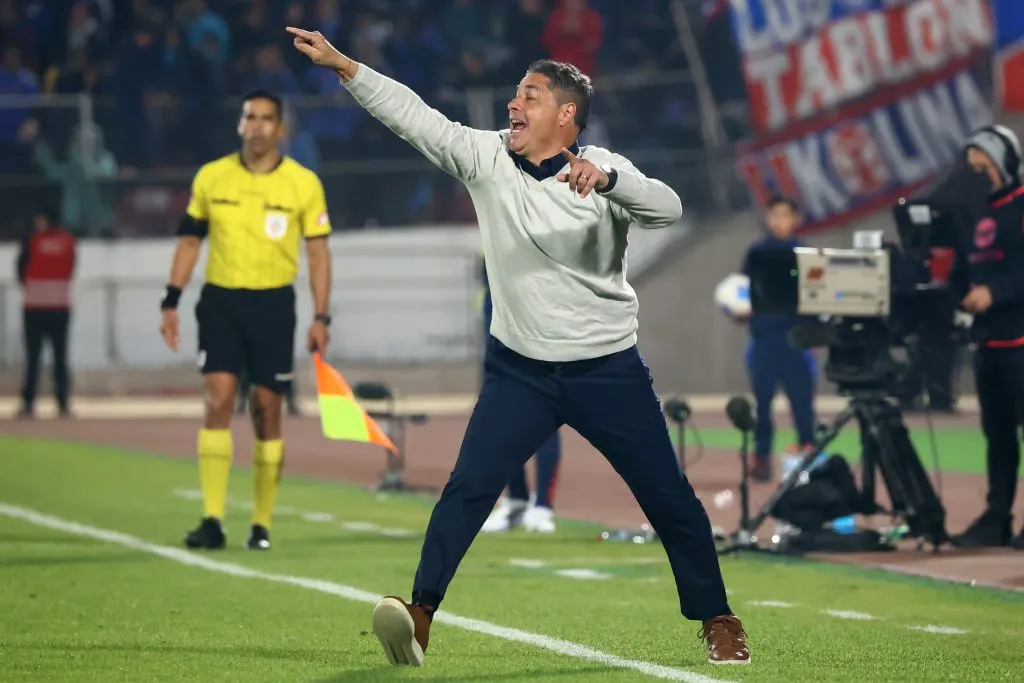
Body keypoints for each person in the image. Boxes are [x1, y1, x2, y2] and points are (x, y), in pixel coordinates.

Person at [289, 26, 750, 667]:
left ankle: (719, 619)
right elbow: (416, 118)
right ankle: (419, 616)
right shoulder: (485, 158)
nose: (515, 105)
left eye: (530, 96)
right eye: (516, 95)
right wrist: (345, 67)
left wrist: (612, 178)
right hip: (520, 371)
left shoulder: (605, 171)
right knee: (469, 487)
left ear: (566, 115)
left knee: (668, 496)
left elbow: (669, 208)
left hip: (607, 368)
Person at [159, 89, 334, 552]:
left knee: (266, 408)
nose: (256, 125)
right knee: (217, 398)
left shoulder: (303, 184)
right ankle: (212, 518)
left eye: (266, 119)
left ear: (281, 129)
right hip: (220, 303)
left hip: (274, 306)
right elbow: (190, 241)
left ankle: (260, 524)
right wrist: (170, 299)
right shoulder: (212, 178)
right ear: (241, 125)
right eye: (249, 117)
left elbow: (318, 253)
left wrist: (321, 315)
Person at [948, 125, 1024, 550]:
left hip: (1021, 341)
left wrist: (996, 292)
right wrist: (958, 296)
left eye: (986, 167)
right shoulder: (974, 215)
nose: (979, 176)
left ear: (1006, 164)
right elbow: (961, 272)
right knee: (997, 436)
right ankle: (997, 517)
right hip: (988, 344)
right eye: (973, 168)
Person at [477, 255, 563, 534]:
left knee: (545, 417)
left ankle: (542, 507)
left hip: (541, 310)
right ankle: (516, 500)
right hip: (501, 301)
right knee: (501, 420)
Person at [737, 197, 818, 482]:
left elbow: (816, 296)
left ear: (796, 219)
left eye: (786, 215)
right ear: (768, 218)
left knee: (803, 404)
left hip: (796, 341)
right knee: (762, 405)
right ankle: (761, 460)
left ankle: (809, 458)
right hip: (763, 340)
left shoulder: (807, 254)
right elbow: (740, 291)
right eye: (775, 215)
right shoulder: (756, 253)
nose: (780, 221)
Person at [16, 209, 76, 419]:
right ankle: (63, 403)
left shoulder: (31, 240)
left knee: (33, 358)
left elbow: (20, 268)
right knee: (61, 357)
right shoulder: (68, 241)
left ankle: (28, 402)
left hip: (34, 306)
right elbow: (71, 268)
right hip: (60, 306)